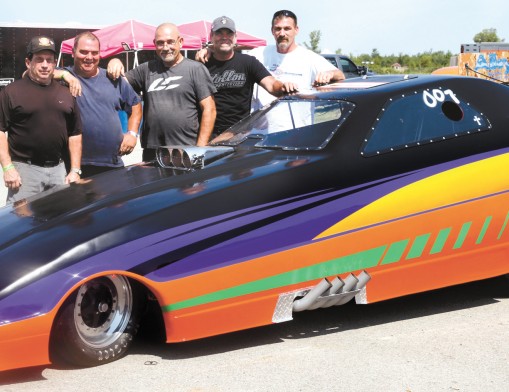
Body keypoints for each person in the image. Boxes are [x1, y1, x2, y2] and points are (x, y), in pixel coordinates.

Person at [107, 23, 217, 161]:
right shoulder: (146, 69)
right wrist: (115, 61)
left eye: (170, 42)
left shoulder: (196, 69)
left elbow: (209, 109)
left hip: (186, 150)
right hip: (153, 151)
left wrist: (200, 149)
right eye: (160, 43)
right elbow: (119, 83)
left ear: (180, 42)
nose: (166, 48)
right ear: (154, 44)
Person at [0, 36, 82, 204]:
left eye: (49, 60)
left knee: (59, 222)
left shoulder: (66, 93)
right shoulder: (11, 92)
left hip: (59, 170)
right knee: (21, 222)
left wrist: (75, 170)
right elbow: (0, 131)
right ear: (28, 62)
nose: (45, 65)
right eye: (39, 60)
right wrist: (7, 168)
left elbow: (75, 134)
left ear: (54, 64)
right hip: (25, 173)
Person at [54, 31, 142, 178]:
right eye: (83, 52)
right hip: (74, 166)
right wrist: (65, 75)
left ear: (100, 54)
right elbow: (31, 74)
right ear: (73, 53)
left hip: (111, 164)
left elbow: (135, 105)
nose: (89, 57)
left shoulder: (112, 78)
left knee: (115, 202)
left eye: (94, 53)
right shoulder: (63, 78)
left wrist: (132, 134)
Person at [200, 16, 298, 136]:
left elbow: (272, 85)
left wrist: (283, 87)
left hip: (239, 136)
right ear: (211, 37)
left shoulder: (248, 62)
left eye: (229, 33)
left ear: (235, 37)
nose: (224, 37)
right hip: (207, 134)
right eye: (219, 33)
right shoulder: (201, 65)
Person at [249, 10, 345, 113]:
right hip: (260, 128)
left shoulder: (309, 57)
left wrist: (329, 74)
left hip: (298, 128)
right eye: (278, 29)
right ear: (272, 30)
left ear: (296, 30)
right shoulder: (257, 54)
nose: (282, 33)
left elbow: (340, 76)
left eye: (287, 29)